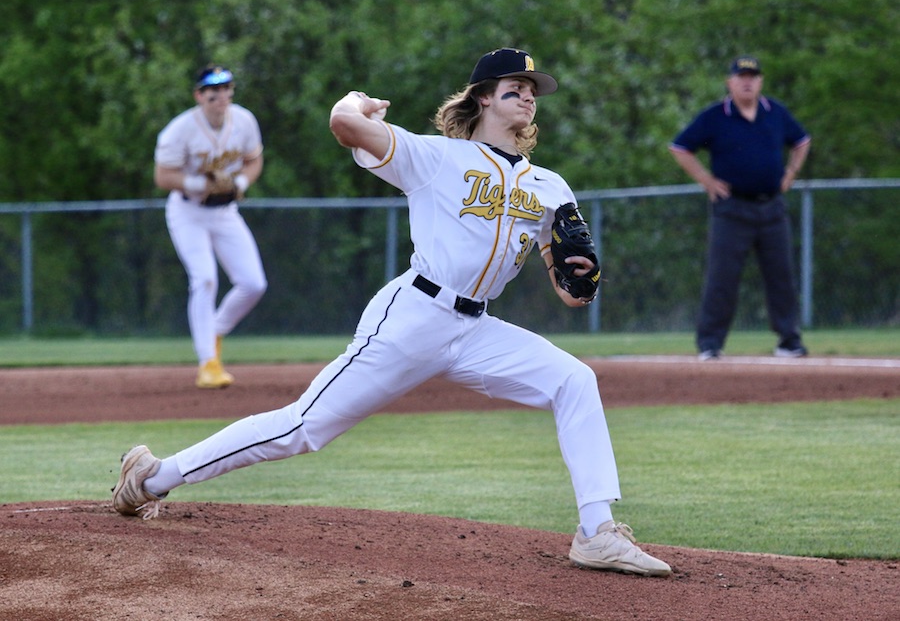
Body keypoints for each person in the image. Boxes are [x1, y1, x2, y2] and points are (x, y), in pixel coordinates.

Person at [114, 48, 671, 577]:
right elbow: (343, 126)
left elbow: (569, 291)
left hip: (476, 328)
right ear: (482, 98)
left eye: (532, 90)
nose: (527, 97)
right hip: (415, 316)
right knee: (304, 427)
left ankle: (596, 529)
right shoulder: (435, 157)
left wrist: (582, 279)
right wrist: (357, 101)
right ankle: (157, 476)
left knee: (574, 379)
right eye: (514, 89)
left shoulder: (549, 185)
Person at [669, 55, 811, 360]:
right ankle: (710, 344)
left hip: (771, 207)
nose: (747, 81)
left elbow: (801, 140)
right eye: (741, 76)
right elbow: (680, 147)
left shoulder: (775, 113)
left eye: (753, 76)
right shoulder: (716, 116)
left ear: (760, 81)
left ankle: (789, 340)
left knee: (781, 276)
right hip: (731, 209)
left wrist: (791, 173)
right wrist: (706, 180)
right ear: (730, 81)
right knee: (722, 278)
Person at [154, 65, 268, 388]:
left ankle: (214, 330)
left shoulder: (243, 121)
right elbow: (163, 177)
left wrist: (240, 183)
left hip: (225, 211)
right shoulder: (179, 130)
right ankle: (208, 363)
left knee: (253, 283)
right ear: (199, 95)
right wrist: (199, 183)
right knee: (204, 278)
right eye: (212, 91)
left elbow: (254, 159)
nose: (220, 96)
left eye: (226, 88)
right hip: (188, 211)